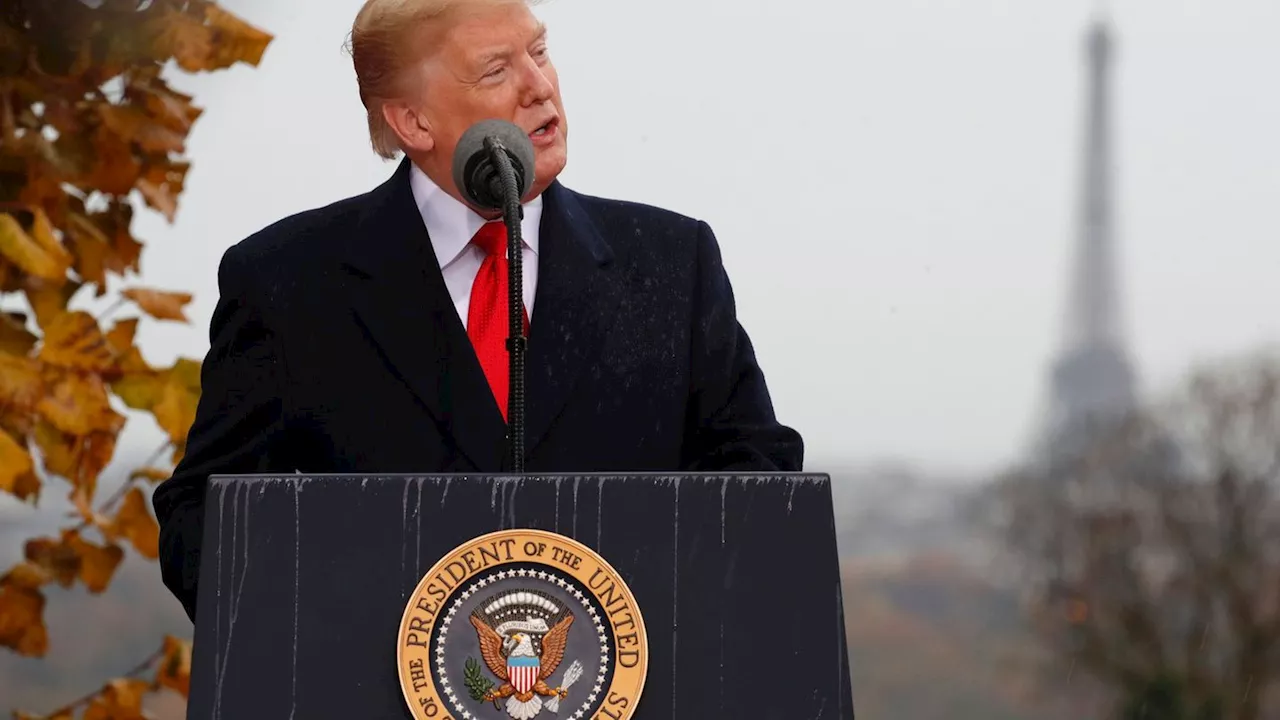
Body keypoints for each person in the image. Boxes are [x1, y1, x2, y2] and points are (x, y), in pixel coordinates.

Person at [152, 0, 803, 622]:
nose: (539, 86)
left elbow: (755, 471)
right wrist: (325, 633)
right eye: (496, 69)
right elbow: (206, 518)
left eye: (540, 52)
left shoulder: (670, 262)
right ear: (412, 120)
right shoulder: (287, 281)